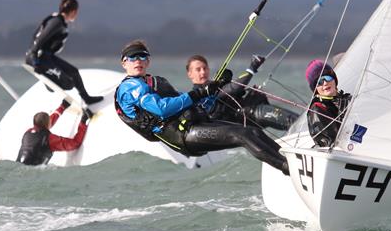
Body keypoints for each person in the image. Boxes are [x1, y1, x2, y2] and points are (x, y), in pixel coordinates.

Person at [114, 40, 289, 174]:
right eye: (132, 57)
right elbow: (161, 109)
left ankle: (288, 159)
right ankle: (286, 167)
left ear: (148, 61)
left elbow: (187, 104)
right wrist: (197, 94)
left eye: (142, 56)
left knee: (252, 131)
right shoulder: (130, 87)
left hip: (190, 125)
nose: (137, 60)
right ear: (124, 63)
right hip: (179, 135)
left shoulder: (156, 81)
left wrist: (213, 89)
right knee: (242, 135)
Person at [185, 54, 298, 130]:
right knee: (295, 123)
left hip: (250, 118)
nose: (203, 72)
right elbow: (234, 88)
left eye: (205, 68)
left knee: (297, 122)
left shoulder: (215, 85)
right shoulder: (198, 95)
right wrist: (252, 67)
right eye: (198, 69)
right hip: (251, 116)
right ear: (189, 74)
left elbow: (234, 90)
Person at [25, 0, 103, 105]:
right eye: (77, 11)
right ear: (73, 11)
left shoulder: (60, 21)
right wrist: (34, 60)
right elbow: (40, 39)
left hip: (46, 57)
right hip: (38, 58)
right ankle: (48, 81)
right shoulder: (56, 22)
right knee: (68, 84)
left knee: (74, 72)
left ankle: (86, 98)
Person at [16, 99, 92, 165]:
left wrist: (62, 107)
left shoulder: (28, 132)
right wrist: (83, 122)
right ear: (47, 124)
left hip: (18, 166)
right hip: (34, 174)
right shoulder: (50, 139)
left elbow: (47, 123)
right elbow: (74, 144)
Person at [305, 59, 351, 147]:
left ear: (334, 80)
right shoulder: (317, 109)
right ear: (315, 88)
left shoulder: (347, 99)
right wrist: (342, 116)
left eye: (328, 78)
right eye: (320, 81)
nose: (325, 83)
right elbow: (328, 144)